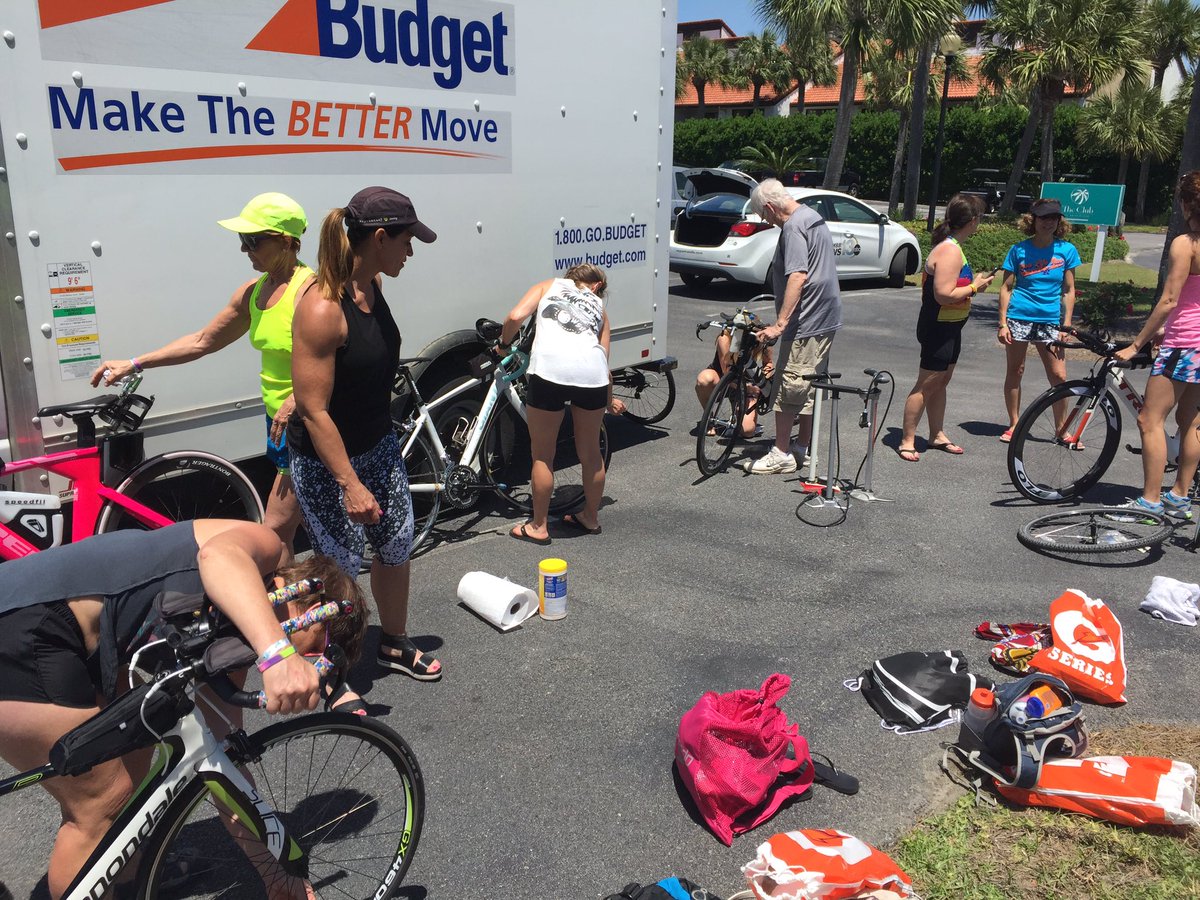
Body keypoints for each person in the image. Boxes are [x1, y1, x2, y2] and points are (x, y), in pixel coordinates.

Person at [0, 519, 367, 900]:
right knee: (100, 802)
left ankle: (124, 877)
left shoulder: (240, 629)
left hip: (72, 636)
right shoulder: (266, 550)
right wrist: (279, 654)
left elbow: (223, 765)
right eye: (322, 648)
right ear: (317, 605)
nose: (313, 662)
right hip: (27, 623)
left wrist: (274, 874)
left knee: (140, 755)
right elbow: (218, 556)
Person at [91, 193, 314, 556]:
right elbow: (202, 341)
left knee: (274, 532)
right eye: (241, 240)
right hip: (277, 422)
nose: (244, 249)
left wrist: (297, 398)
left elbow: (337, 360)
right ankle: (306, 601)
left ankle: (295, 605)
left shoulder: (311, 292)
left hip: (307, 424)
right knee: (308, 527)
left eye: (253, 240)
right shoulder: (253, 293)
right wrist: (134, 363)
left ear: (288, 242)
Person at [289, 186, 442, 683]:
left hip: (378, 447)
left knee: (397, 544)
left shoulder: (372, 286)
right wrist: (350, 484)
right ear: (379, 238)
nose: (410, 252)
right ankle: (325, 671)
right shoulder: (321, 307)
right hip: (328, 464)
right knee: (337, 569)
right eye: (406, 241)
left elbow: (349, 371)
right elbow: (314, 409)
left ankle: (393, 644)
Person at [499, 264, 613, 544]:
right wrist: (610, 398)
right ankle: (590, 517)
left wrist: (503, 345)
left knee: (542, 455)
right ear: (597, 286)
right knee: (590, 453)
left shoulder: (548, 285)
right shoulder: (599, 307)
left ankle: (538, 526)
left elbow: (515, 316)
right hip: (592, 375)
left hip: (549, 370)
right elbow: (604, 357)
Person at [1112, 171, 1200, 520]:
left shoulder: (1185, 243)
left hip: (1184, 343)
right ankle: (1179, 496)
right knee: (1190, 421)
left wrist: (1137, 344)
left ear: (1186, 204)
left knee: (1151, 419)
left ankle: (1149, 500)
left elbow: (1168, 299)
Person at [746, 178, 842, 474]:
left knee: (790, 385)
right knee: (809, 384)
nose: (768, 221)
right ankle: (802, 447)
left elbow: (798, 275)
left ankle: (782, 452)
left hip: (806, 320)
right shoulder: (812, 216)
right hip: (825, 316)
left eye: (765, 216)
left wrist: (780, 324)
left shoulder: (794, 226)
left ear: (772, 207)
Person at [897, 195, 995, 461]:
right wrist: (976, 287)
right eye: (980, 218)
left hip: (951, 325)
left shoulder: (953, 246)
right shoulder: (949, 249)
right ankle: (907, 440)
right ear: (973, 221)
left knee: (941, 381)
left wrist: (973, 284)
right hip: (938, 326)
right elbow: (943, 294)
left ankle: (936, 434)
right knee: (926, 384)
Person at [997, 197, 1081, 441]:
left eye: (1054, 218)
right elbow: (1006, 287)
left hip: (1050, 321)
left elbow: (1069, 290)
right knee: (1016, 370)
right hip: (1019, 317)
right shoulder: (1018, 250)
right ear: (1032, 220)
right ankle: (1015, 424)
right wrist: (1002, 323)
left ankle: (1062, 428)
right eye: (1044, 218)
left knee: (1059, 376)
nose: (1049, 223)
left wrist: (1066, 324)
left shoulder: (1066, 250)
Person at [695, 324, 774, 438]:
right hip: (723, 379)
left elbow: (769, 364)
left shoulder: (761, 337)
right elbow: (727, 370)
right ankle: (709, 419)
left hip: (747, 382)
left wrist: (762, 383)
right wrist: (746, 387)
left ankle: (739, 414)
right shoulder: (725, 337)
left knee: (748, 431)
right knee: (704, 379)